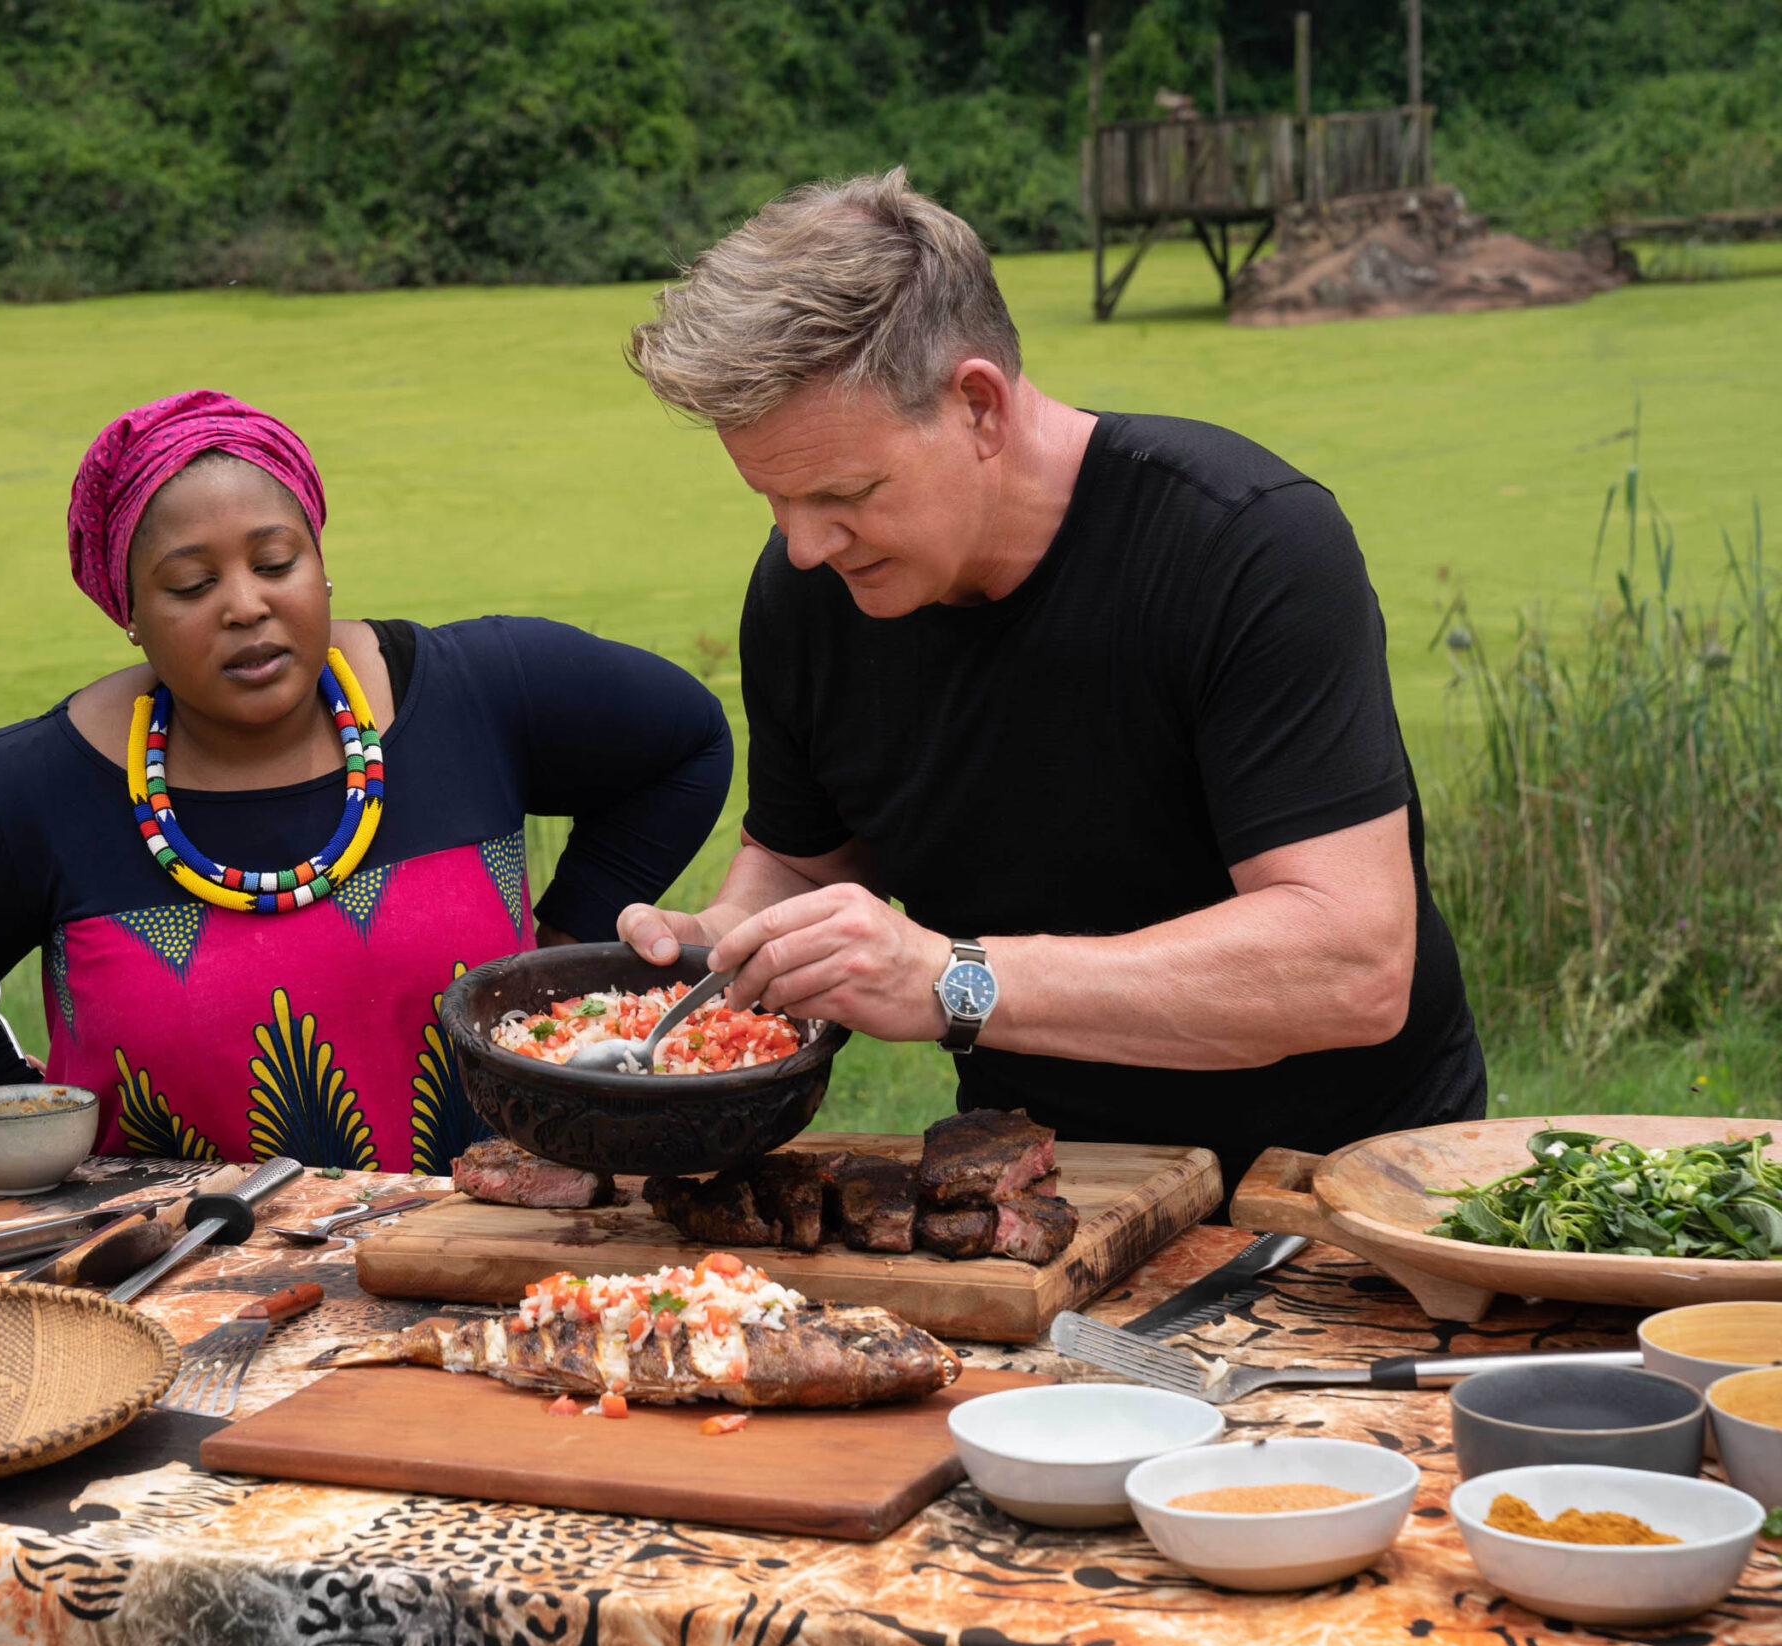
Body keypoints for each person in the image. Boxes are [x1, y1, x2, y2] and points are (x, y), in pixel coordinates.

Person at [617, 169, 1484, 1186]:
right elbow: (809, 862)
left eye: (841, 493)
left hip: (1335, 1193)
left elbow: (1350, 964)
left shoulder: (1243, 545)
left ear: (978, 404)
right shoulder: (814, 590)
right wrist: (733, 944)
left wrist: (953, 980)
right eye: (772, 499)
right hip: (1026, 1189)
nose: (804, 545)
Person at [0, 390, 732, 1171]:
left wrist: (559, 957)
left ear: (321, 561)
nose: (245, 604)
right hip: (177, 1301)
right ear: (128, 613)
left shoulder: (482, 694)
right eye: (188, 584)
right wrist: (27, 1123)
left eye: (275, 561)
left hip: (489, 1254)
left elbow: (686, 746)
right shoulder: (34, 790)